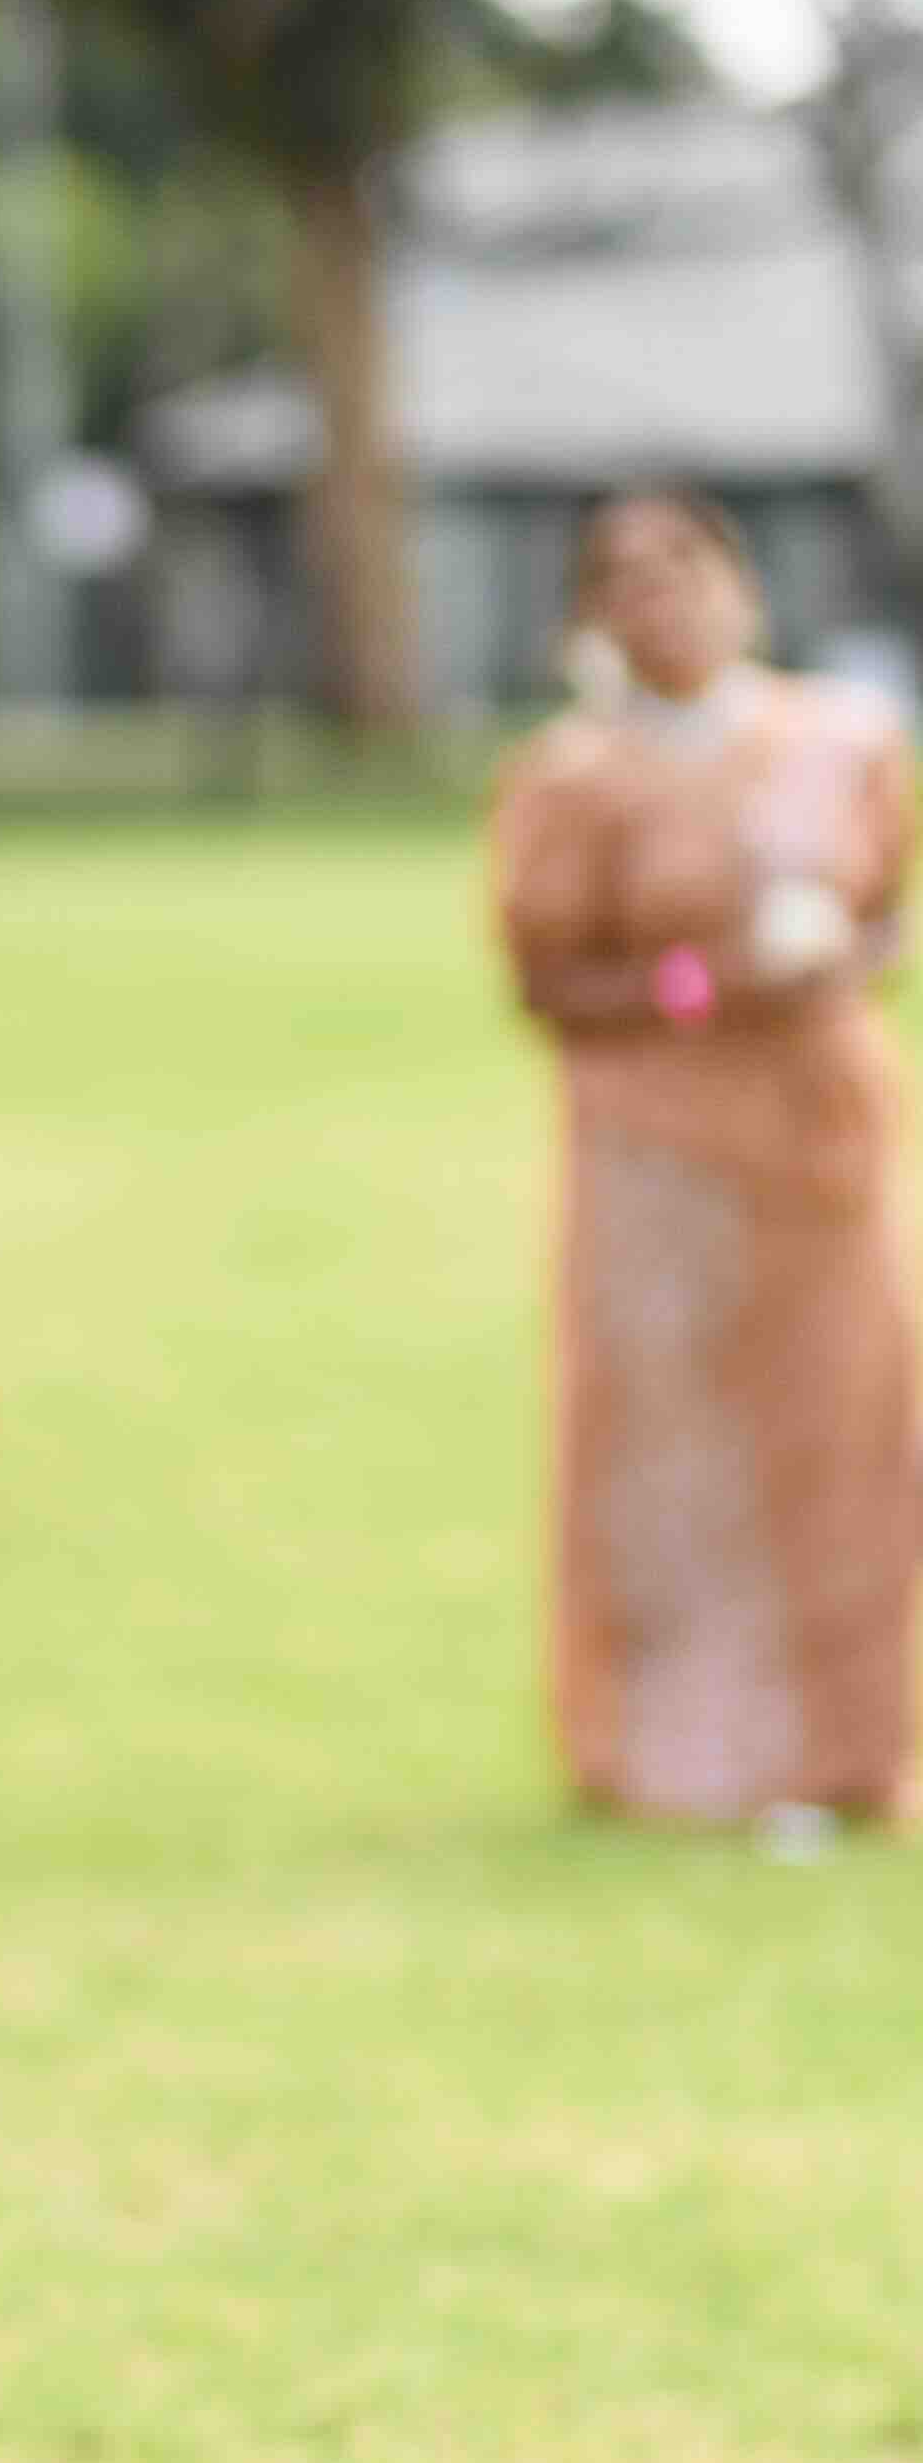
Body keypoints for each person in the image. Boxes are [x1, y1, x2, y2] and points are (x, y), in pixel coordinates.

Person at [489, 489, 920, 1833]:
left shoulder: (843, 739)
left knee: (847, 1431)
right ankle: (683, 1745)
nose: (661, 595)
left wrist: (829, 960)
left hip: (820, 1134)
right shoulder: (572, 777)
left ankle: (854, 1742)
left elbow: (886, 919)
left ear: (743, 585)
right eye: (626, 576)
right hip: (657, 1144)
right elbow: (549, 981)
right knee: (675, 1445)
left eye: (685, 565)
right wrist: (703, 983)